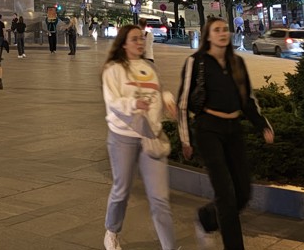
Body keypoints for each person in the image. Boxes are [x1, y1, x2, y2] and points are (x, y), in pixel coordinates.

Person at [178, 17, 275, 250]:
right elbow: (183, 102)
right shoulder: (196, 62)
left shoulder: (237, 63)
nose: (222, 33)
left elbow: (247, 100)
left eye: (225, 29)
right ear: (208, 36)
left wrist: (262, 125)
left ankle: (207, 218)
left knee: (243, 193)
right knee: (226, 195)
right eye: (217, 30)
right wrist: (185, 139)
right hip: (208, 130)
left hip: (233, 130)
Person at [102, 24, 180, 250]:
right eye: (134, 39)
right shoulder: (113, 69)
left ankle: (169, 247)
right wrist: (133, 103)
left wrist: (168, 100)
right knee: (121, 191)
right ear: (124, 44)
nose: (140, 42)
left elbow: (159, 90)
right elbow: (113, 102)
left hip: (151, 136)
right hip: (123, 137)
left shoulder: (149, 66)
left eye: (141, 38)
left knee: (160, 198)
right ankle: (112, 231)